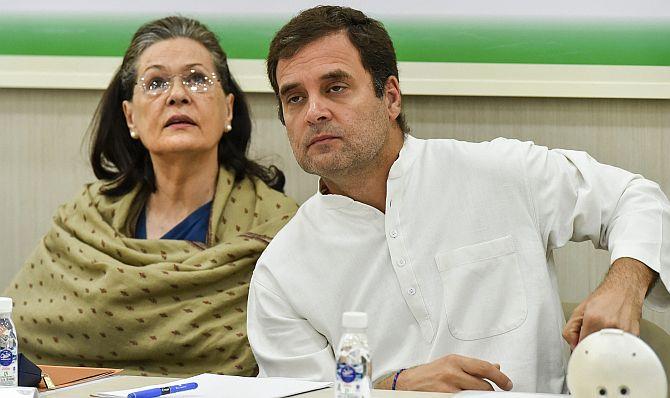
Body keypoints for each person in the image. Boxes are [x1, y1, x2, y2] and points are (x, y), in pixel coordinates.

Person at [246, 5, 670, 394]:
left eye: (335, 87)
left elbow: (635, 198)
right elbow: (300, 394)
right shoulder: (281, 272)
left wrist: (625, 284)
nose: (314, 112)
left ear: (390, 96)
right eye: (295, 97)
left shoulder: (502, 172)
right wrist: (390, 388)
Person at [4, 16, 297, 377]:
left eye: (197, 78)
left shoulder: (277, 227)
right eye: (156, 82)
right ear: (130, 117)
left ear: (228, 110)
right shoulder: (83, 221)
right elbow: (14, 332)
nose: (177, 95)